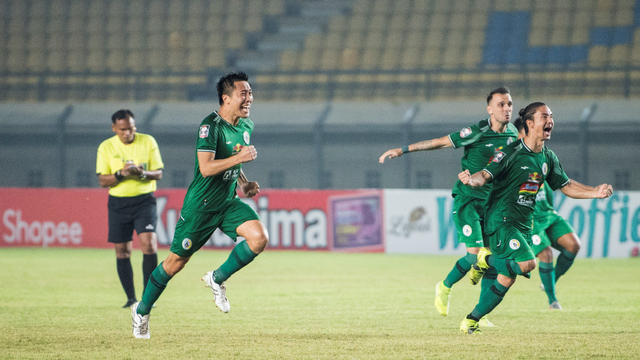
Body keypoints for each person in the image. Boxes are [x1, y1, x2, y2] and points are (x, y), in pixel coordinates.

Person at [131, 71, 269, 339]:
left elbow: (232, 159)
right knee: (174, 263)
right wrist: (240, 157)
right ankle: (142, 311)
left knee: (259, 238)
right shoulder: (210, 126)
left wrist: (244, 184)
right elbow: (206, 168)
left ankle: (217, 278)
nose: (249, 98)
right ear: (226, 98)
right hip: (201, 206)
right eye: (244, 93)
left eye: (251, 93)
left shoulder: (246, 125)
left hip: (228, 202)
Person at [459, 102, 613, 334]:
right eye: (544, 116)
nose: (550, 120)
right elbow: (486, 174)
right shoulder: (511, 152)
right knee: (527, 264)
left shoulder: (548, 157)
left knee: (508, 278)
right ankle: (485, 260)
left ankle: (471, 320)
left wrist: (595, 192)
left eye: (551, 116)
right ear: (530, 123)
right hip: (501, 220)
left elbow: (567, 185)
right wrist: (473, 180)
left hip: (523, 224)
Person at [379, 86, 517, 325]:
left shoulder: (514, 133)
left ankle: (481, 313)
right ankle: (444, 286)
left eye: (509, 104)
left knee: (492, 257)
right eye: (501, 105)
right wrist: (402, 150)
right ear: (489, 109)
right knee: (476, 256)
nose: (506, 109)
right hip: (469, 200)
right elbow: (439, 142)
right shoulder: (477, 131)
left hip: (493, 204)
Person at [96, 109, 164, 308]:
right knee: (122, 252)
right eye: (123, 129)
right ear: (114, 128)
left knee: (149, 245)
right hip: (118, 203)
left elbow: (158, 174)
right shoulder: (106, 147)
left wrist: (142, 174)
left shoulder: (148, 141)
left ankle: (148, 298)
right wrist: (121, 174)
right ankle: (131, 299)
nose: (128, 133)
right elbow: (102, 180)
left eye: (131, 128)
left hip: (144, 201)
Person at [514, 118, 582, 310]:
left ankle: (549, 282)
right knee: (545, 254)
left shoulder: (544, 154)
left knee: (574, 245)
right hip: (529, 218)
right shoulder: (511, 158)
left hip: (548, 213)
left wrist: (592, 192)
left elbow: (562, 182)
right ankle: (553, 301)